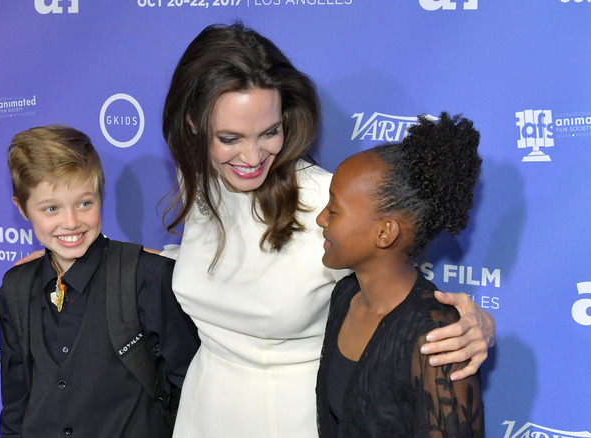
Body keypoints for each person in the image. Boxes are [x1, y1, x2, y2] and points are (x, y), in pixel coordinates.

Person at [161, 22, 494, 438]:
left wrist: (477, 324)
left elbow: (398, 298)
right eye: (229, 137)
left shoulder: (328, 203)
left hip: (289, 419)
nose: (251, 156)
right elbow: (216, 265)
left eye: (269, 132)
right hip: (202, 408)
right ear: (192, 123)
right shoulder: (199, 179)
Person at [0, 125, 199, 437]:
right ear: (22, 209)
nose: (71, 221)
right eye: (51, 208)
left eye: (84, 203)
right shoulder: (15, 289)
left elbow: (191, 391)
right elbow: (15, 405)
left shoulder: (147, 278)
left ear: (101, 195)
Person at [315, 113, 485, 437]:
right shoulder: (345, 296)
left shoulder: (437, 337)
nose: (321, 218)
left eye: (334, 209)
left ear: (385, 233)